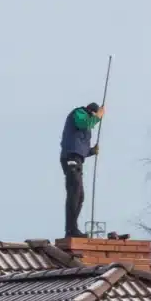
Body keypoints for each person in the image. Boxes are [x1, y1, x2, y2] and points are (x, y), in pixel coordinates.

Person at [59, 102, 104, 238]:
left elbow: (80, 147)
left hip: (77, 158)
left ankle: (72, 228)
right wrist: (98, 117)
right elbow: (83, 124)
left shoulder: (86, 123)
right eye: (94, 117)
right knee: (74, 191)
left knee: (80, 195)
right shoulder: (79, 113)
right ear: (91, 112)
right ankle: (71, 230)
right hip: (71, 157)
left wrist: (91, 151)